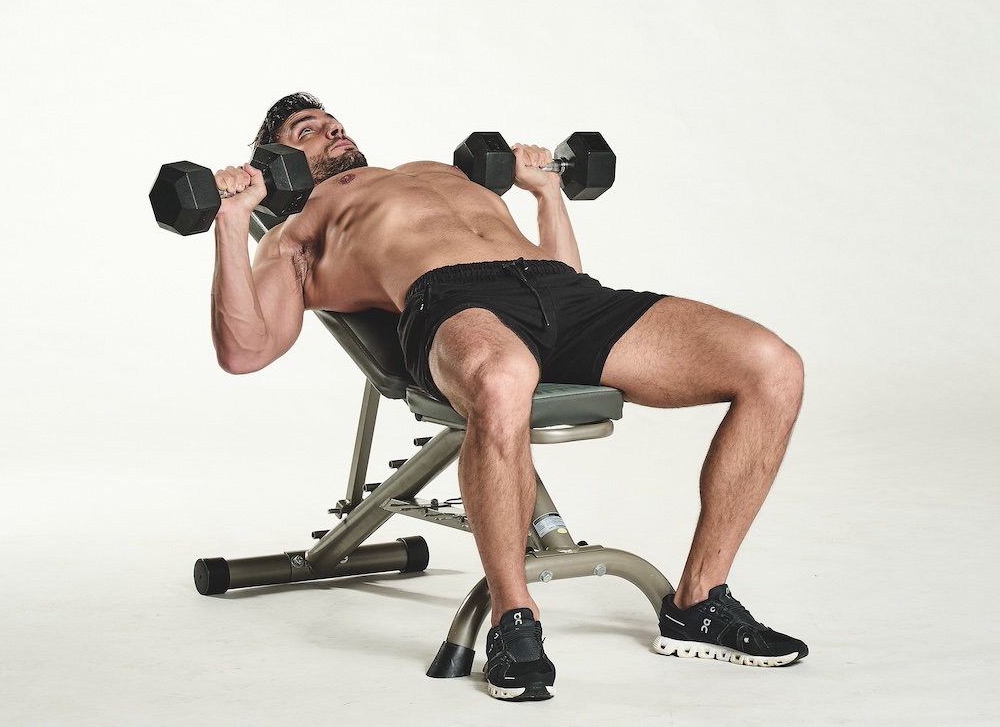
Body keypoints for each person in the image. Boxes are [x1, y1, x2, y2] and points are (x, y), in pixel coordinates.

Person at [210, 92, 808, 702]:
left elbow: (568, 270)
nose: (332, 129)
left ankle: (700, 602)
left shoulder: (437, 170)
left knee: (773, 367)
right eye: (306, 130)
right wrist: (232, 220)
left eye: (332, 121)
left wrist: (547, 192)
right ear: (275, 162)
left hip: (564, 293)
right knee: (500, 383)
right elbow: (246, 350)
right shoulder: (296, 229)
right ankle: (512, 618)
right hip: (453, 300)